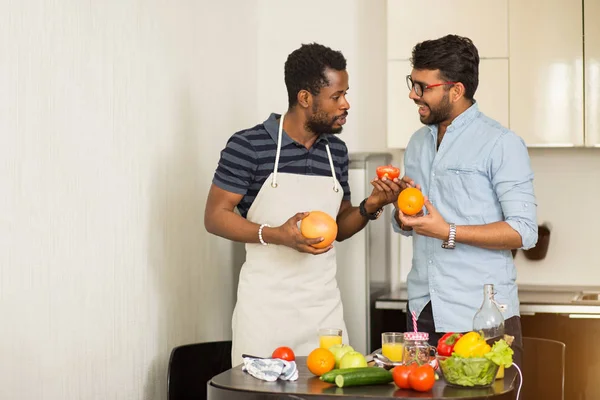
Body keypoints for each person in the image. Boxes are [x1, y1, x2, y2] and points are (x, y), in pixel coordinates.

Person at [204, 42, 401, 366]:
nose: (346, 104)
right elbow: (214, 217)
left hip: (323, 313)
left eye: (345, 94)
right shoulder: (248, 145)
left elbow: (339, 227)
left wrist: (372, 204)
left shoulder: (335, 151)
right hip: (264, 314)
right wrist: (278, 234)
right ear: (305, 98)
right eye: (337, 96)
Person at [392, 35, 538, 353]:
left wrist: (448, 231)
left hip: (480, 315)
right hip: (422, 309)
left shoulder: (501, 143)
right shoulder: (417, 143)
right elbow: (415, 222)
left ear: (456, 90)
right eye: (412, 83)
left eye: (423, 87)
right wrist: (401, 214)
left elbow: (524, 231)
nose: (412, 94)